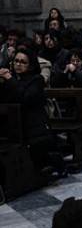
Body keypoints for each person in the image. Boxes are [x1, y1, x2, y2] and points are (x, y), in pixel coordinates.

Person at [0, 47, 60, 176]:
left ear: (31, 66)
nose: (18, 64)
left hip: (33, 125)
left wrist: (10, 79)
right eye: (16, 61)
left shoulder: (36, 80)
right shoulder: (8, 80)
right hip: (11, 123)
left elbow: (24, 97)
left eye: (22, 62)